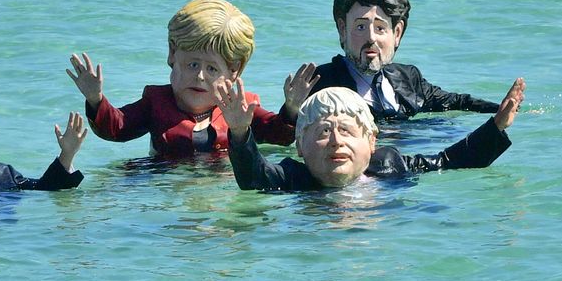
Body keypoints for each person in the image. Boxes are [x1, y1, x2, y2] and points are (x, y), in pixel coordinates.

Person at [67, 0, 317, 158]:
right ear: (172, 54)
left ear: (234, 71)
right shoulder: (156, 104)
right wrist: (96, 99)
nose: (199, 76)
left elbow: (280, 135)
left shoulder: (241, 108)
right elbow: (116, 129)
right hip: (165, 182)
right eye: (192, 64)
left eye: (212, 69)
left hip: (221, 186)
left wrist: (292, 107)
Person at [217, 78, 524, 191]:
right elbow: (253, 178)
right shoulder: (293, 178)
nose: (336, 141)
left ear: (371, 141)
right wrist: (240, 131)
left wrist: (495, 127)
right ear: (300, 147)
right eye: (324, 131)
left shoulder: (391, 165)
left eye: (346, 130)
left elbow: (449, 161)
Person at [308, 0, 500, 120]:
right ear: (343, 30)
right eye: (360, 27)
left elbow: (456, 102)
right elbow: (302, 132)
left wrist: (501, 110)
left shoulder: (408, 78)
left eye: (380, 28)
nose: (371, 38)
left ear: (397, 33)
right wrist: (293, 113)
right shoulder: (320, 83)